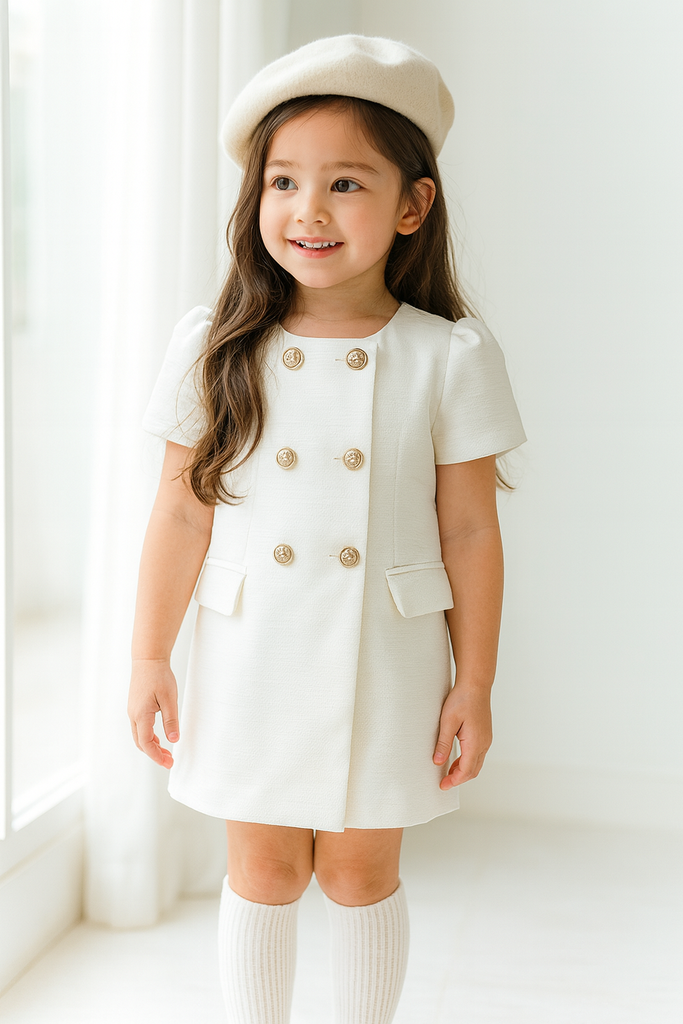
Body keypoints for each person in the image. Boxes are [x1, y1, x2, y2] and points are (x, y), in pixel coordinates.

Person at [127, 34, 526, 1024]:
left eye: (345, 182)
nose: (307, 209)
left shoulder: (446, 354)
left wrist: (473, 681)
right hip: (250, 647)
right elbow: (177, 510)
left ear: (411, 206)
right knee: (262, 868)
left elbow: (468, 532)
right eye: (283, 182)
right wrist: (149, 656)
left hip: (384, 659)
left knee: (358, 873)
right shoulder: (216, 346)